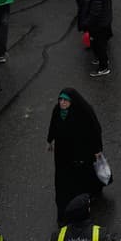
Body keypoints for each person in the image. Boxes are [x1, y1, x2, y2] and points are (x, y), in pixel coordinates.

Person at [47, 89, 104, 224]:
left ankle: (90, 195)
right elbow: (53, 126)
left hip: (81, 152)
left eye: (65, 100)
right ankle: (63, 214)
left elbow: (95, 129)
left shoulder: (83, 111)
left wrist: (97, 149)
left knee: (83, 177)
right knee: (62, 182)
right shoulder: (57, 111)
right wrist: (49, 140)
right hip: (62, 153)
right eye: (60, 100)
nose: (62, 103)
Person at [77, 0, 113, 77]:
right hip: (105, 20)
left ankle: (103, 67)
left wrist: (85, 23)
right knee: (100, 44)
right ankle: (103, 61)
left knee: (98, 45)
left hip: (98, 25)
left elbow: (94, 14)